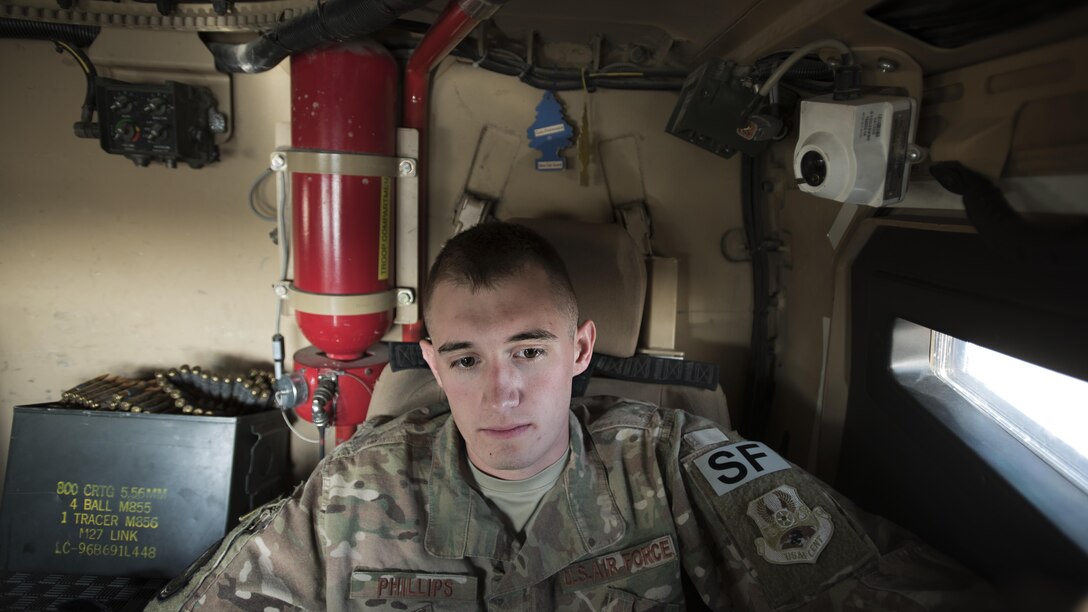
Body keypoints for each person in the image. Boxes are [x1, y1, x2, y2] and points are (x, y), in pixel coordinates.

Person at [148, 222, 997, 611]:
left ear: (581, 350)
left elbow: (865, 580)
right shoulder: (354, 489)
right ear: (433, 361)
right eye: (468, 359)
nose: (501, 393)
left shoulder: (671, 460)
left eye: (529, 351)